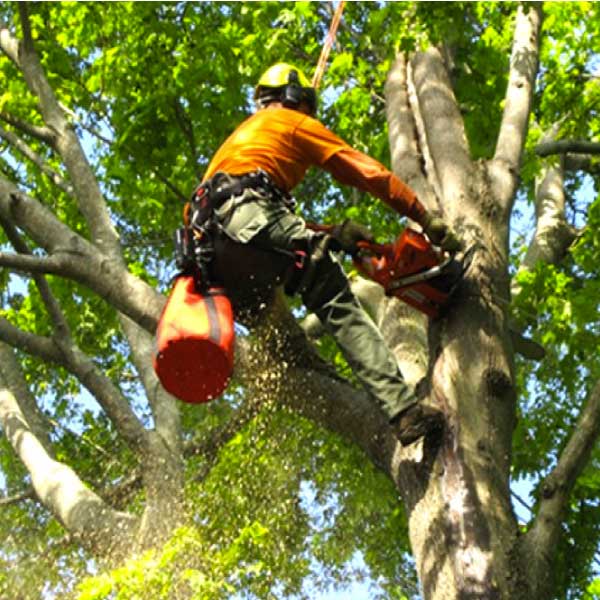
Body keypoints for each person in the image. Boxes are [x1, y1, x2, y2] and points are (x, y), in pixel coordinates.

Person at [185, 63, 461, 445]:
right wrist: (424, 218)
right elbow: (366, 173)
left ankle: (309, 370)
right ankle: (403, 411)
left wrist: (334, 235)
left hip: (212, 261)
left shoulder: (241, 145)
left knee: (291, 332)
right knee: (333, 296)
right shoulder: (292, 121)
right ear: (295, 96)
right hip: (249, 219)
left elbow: (268, 230)